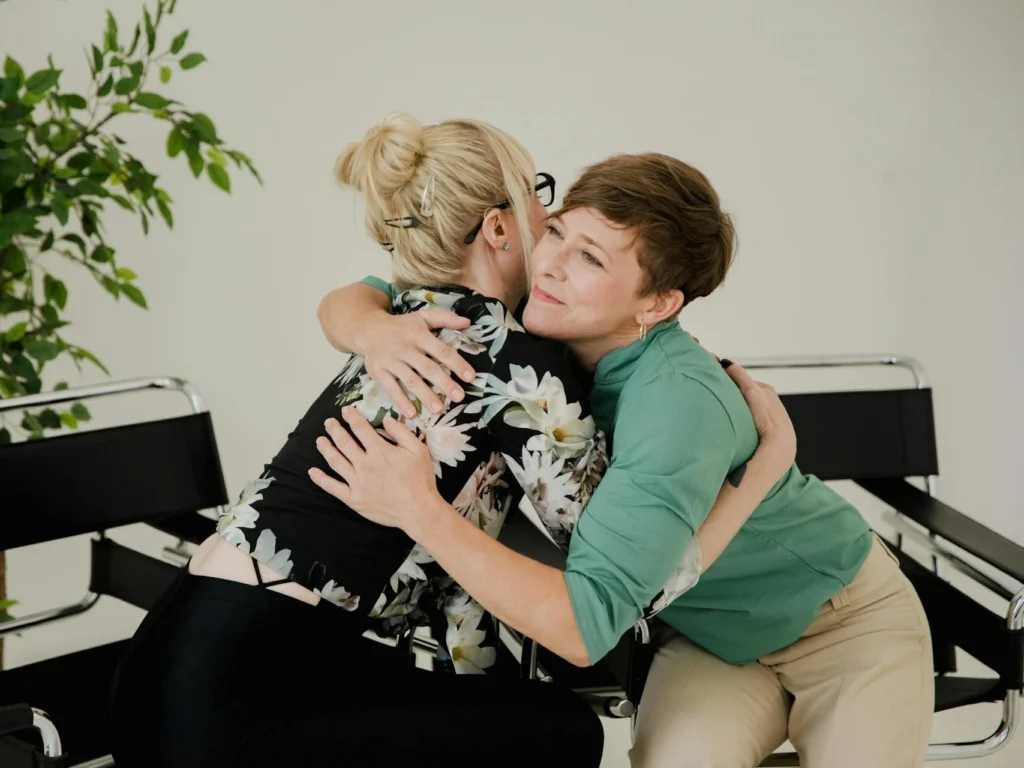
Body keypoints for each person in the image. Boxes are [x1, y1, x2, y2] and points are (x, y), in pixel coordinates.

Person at [108, 113, 795, 768]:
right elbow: (625, 592)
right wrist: (762, 473)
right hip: (238, 709)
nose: (549, 235)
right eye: (541, 206)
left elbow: (452, 577)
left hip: (167, 675)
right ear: (498, 228)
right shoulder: (512, 357)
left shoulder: (407, 318)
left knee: (512, 719)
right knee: (565, 735)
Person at [314, 151, 935, 767]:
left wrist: (420, 510)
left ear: (657, 304)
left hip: (842, 624)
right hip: (708, 636)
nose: (552, 262)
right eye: (556, 230)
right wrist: (375, 332)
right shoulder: (547, 302)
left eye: (591, 257)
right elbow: (365, 293)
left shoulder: (675, 403)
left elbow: (586, 627)